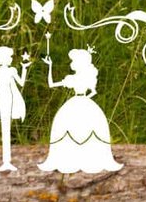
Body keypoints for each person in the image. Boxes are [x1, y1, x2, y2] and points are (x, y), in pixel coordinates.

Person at [38, 46, 123, 174]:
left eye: (74, 61)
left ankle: (86, 156)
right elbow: (51, 84)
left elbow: (94, 91)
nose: (72, 63)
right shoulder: (71, 78)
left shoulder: (80, 78)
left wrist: (83, 101)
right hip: (81, 102)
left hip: (80, 102)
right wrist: (50, 66)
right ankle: (72, 156)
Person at [0, 44, 30, 172]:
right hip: (1, 97)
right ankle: (5, 161)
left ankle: (8, 161)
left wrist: (24, 69)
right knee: (4, 126)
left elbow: (21, 82)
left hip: (10, 97)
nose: (9, 59)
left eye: (9, 57)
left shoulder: (12, 70)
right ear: (0, 58)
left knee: (7, 126)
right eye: (7, 56)